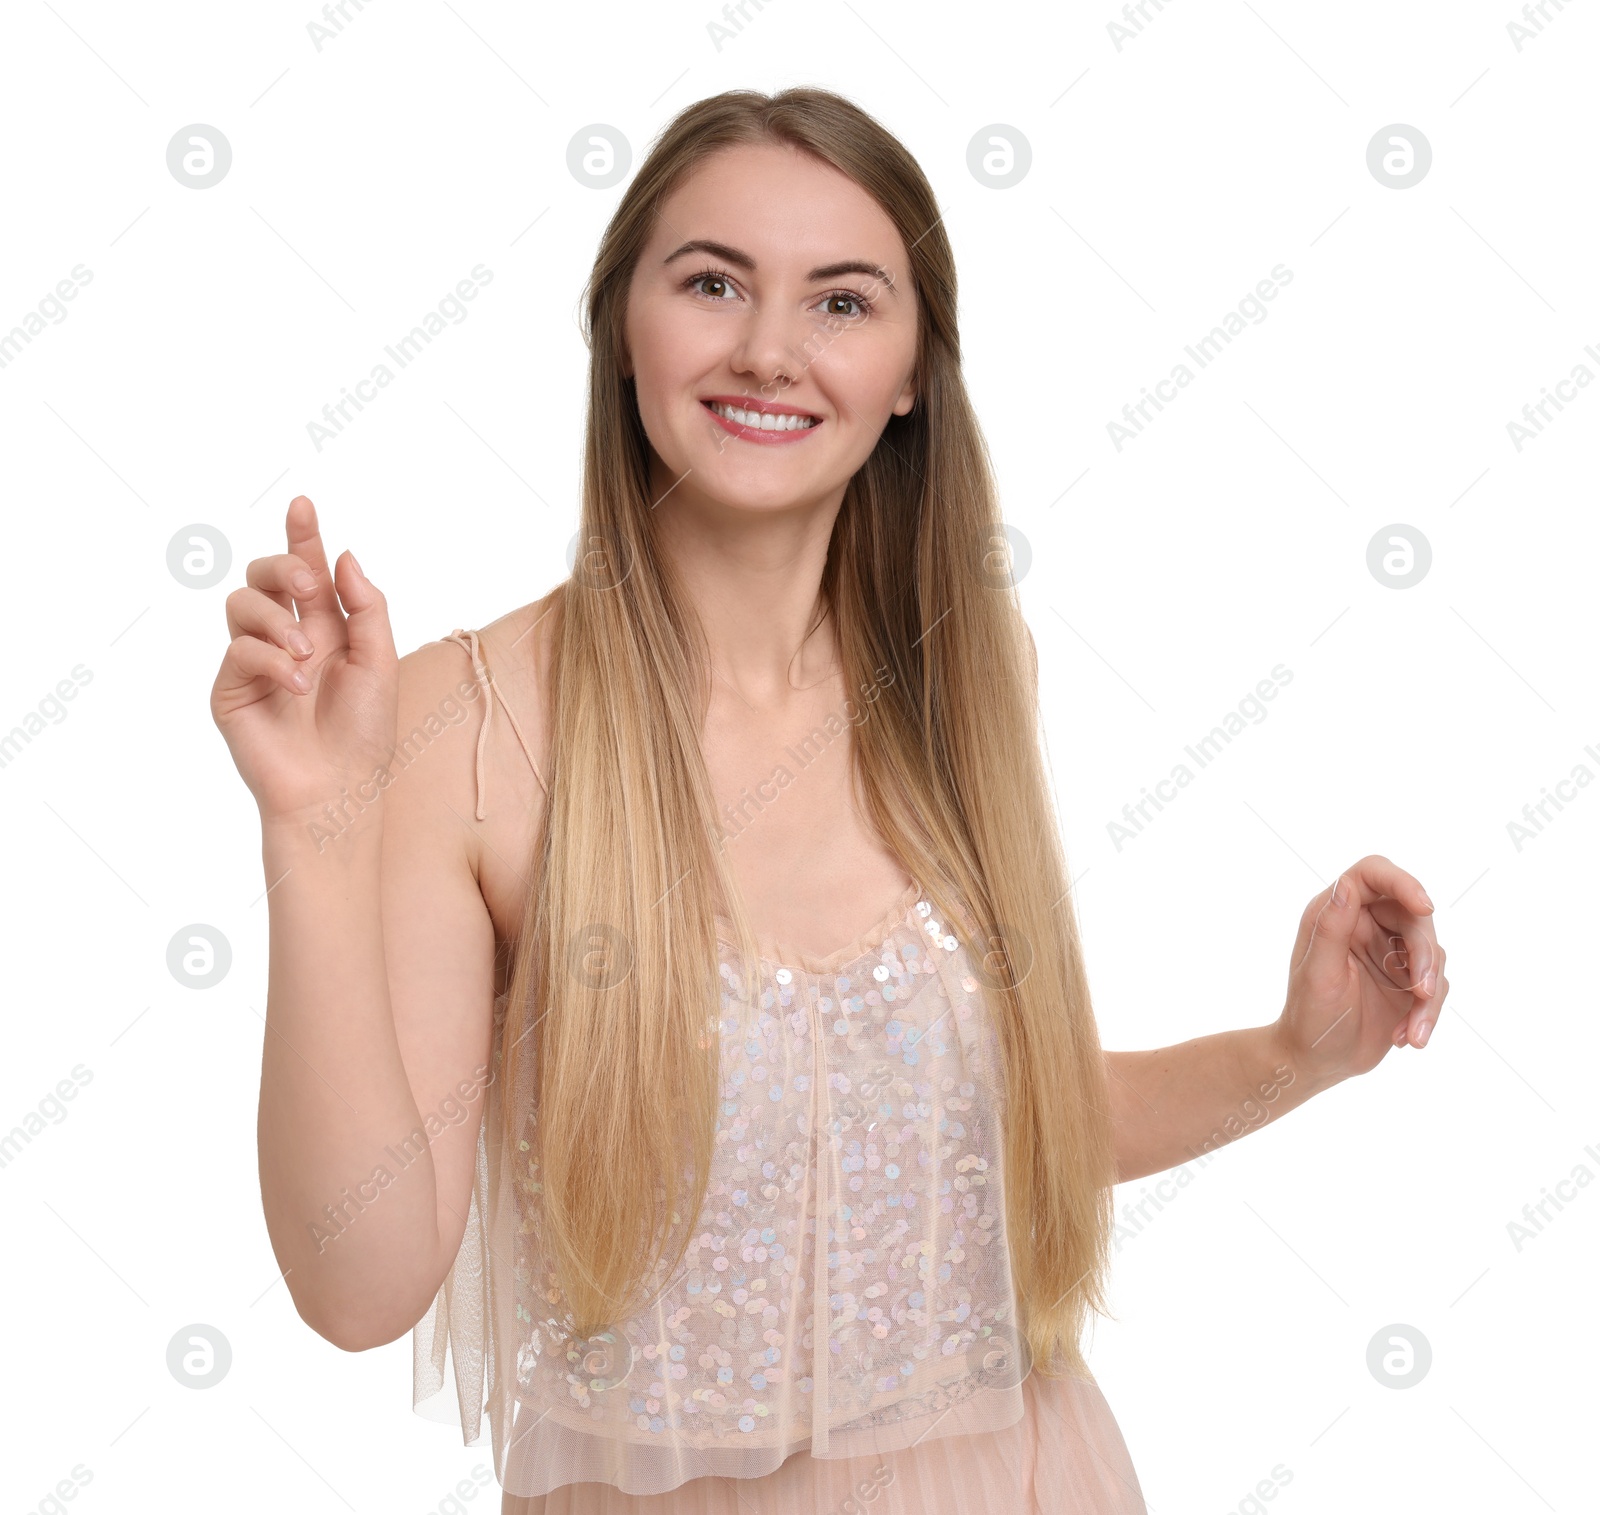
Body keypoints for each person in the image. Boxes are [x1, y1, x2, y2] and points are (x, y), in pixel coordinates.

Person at [210, 87, 1449, 1513]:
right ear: (626, 325)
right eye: (714, 282)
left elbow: (986, 1132)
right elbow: (360, 1287)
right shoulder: (462, 730)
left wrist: (1304, 1049)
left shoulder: (968, 675)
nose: (769, 350)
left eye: (843, 302)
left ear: (917, 368)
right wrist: (310, 826)